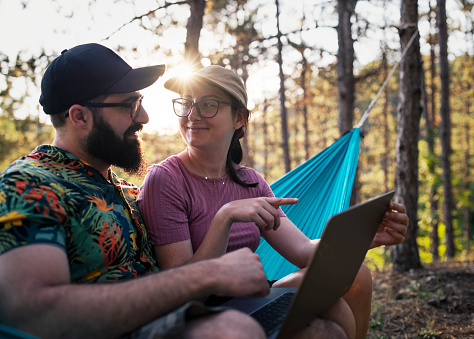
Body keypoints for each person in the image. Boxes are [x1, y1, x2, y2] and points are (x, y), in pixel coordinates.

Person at [0, 44, 279, 339]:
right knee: (232, 332)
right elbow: (33, 314)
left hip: (172, 318)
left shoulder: (124, 190)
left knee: (313, 321)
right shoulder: (29, 185)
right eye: (129, 105)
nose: (144, 117)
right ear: (80, 116)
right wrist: (208, 274)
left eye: (141, 102)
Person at [137, 65, 410, 339]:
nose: (192, 115)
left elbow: (302, 249)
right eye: (186, 104)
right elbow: (180, 288)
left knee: (355, 277)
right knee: (326, 329)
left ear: (239, 118)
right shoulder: (166, 180)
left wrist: (365, 237)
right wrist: (224, 218)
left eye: (208, 104)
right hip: (200, 312)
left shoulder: (250, 182)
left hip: (249, 296)